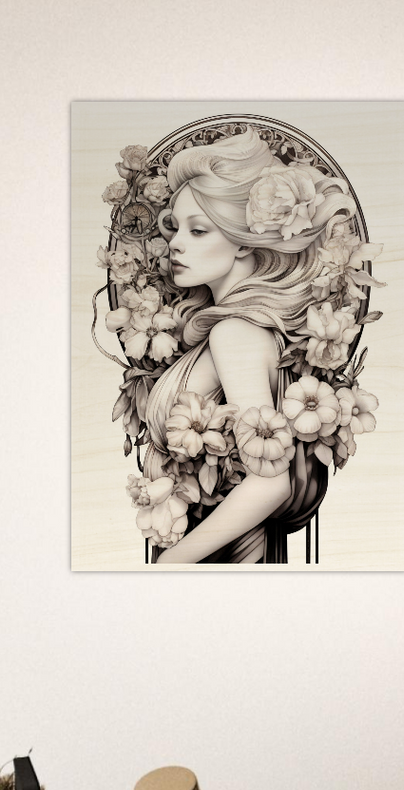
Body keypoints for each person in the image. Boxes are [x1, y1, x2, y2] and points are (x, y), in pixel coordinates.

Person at [139, 129, 359, 564]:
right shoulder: (242, 325)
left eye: (198, 230)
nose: (176, 243)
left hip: (229, 554)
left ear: (243, 239)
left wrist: (171, 564)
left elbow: (270, 482)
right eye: (176, 227)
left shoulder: (234, 333)